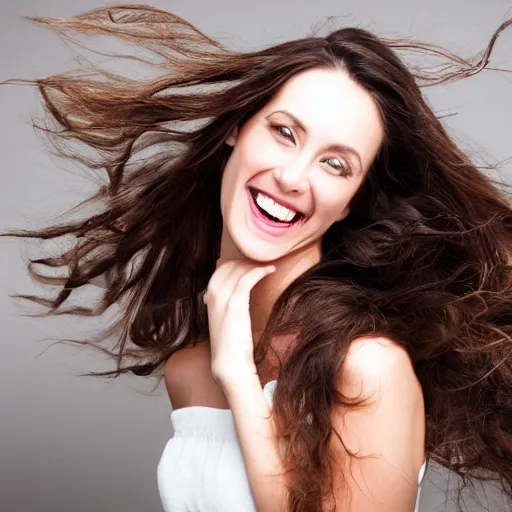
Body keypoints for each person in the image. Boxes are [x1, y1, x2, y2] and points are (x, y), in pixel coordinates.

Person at [3, 4, 512, 512]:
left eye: (335, 165)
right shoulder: (191, 369)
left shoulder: (365, 368)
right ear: (237, 128)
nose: (293, 177)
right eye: (284, 132)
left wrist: (241, 383)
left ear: (351, 201)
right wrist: (227, 368)